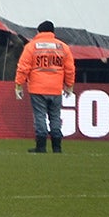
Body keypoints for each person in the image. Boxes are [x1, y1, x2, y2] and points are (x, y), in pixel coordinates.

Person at [15, 19, 77, 154]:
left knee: (40, 116)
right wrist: (69, 85)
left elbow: (23, 67)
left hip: (37, 88)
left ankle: (41, 146)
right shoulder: (63, 47)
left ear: (38, 31)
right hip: (56, 88)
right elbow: (70, 69)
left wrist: (19, 85)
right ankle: (57, 147)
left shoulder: (32, 46)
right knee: (55, 117)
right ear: (53, 32)